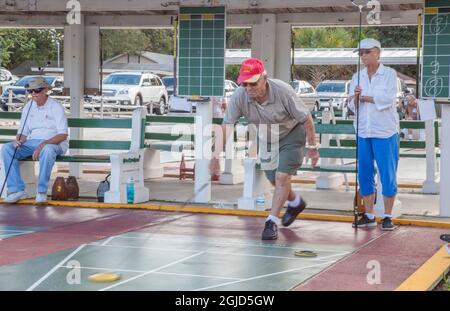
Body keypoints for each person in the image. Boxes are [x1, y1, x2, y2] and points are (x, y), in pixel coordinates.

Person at [209, 58, 319, 240]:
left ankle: (271, 222)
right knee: (273, 179)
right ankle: (296, 202)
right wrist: (215, 156)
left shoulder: (283, 91)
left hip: (291, 134)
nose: (248, 87)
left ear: (264, 78)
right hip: (268, 138)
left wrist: (312, 146)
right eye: (244, 83)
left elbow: (306, 119)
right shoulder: (240, 96)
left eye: (252, 82)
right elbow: (227, 125)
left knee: (282, 176)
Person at [348, 38, 399, 231]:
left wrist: (365, 97)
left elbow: (387, 99)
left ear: (377, 52)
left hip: (385, 131)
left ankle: (387, 215)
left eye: (366, 52)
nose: (363, 56)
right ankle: (369, 214)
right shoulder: (357, 76)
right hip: (363, 130)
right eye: (360, 53)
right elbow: (351, 104)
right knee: (364, 174)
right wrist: (355, 97)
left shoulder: (389, 74)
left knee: (387, 174)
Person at [1, 76, 68, 204]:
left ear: (45, 90)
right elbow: (23, 131)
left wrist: (43, 144)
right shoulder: (28, 106)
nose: (33, 94)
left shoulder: (56, 106)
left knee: (47, 150)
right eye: (30, 91)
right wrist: (19, 139)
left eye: (36, 90)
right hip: (33, 142)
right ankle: (16, 190)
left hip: (54, 143)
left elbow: (63, 135)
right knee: (8, 148)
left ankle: (41, 191)